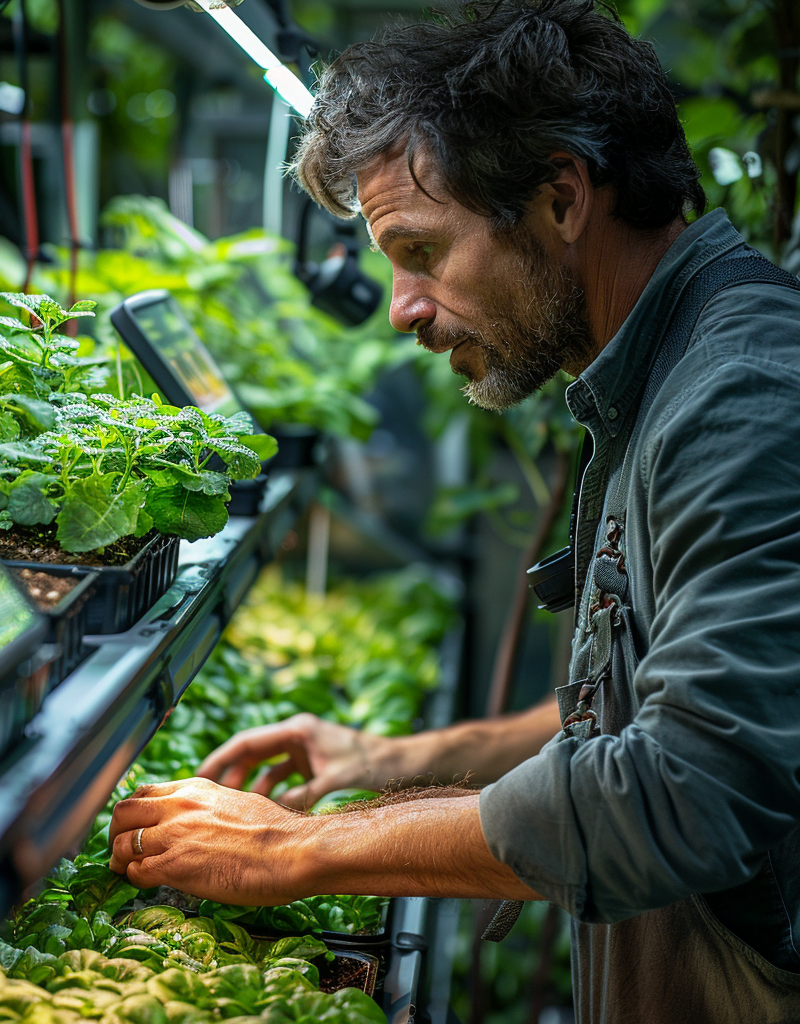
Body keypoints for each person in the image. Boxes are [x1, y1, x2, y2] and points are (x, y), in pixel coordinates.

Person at [109, 1, 800, 1019]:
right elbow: (638, 705)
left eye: (421, 252)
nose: (401, 309)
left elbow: (677, 793)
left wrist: (299, 848)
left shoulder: (739, 397)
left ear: (560, 197)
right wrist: (392, 762)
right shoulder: (670, 368)